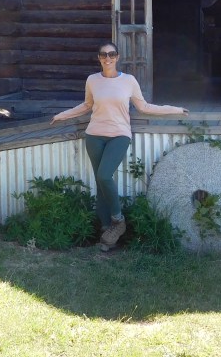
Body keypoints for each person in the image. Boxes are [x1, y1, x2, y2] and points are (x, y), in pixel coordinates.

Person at [51, 42, 189, 250]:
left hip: (119, 135)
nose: (107, 58)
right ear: (99, 58)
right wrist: (62, 115)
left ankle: (118, 220)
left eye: (111, 54)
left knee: (104, 176)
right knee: (100, 184)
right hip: (94, 136)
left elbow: (144, 107)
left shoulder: (129, 81)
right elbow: (87, 105)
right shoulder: (92, 80)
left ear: (117, 57)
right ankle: (107, 234)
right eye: (103, 54)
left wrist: (175, 110)